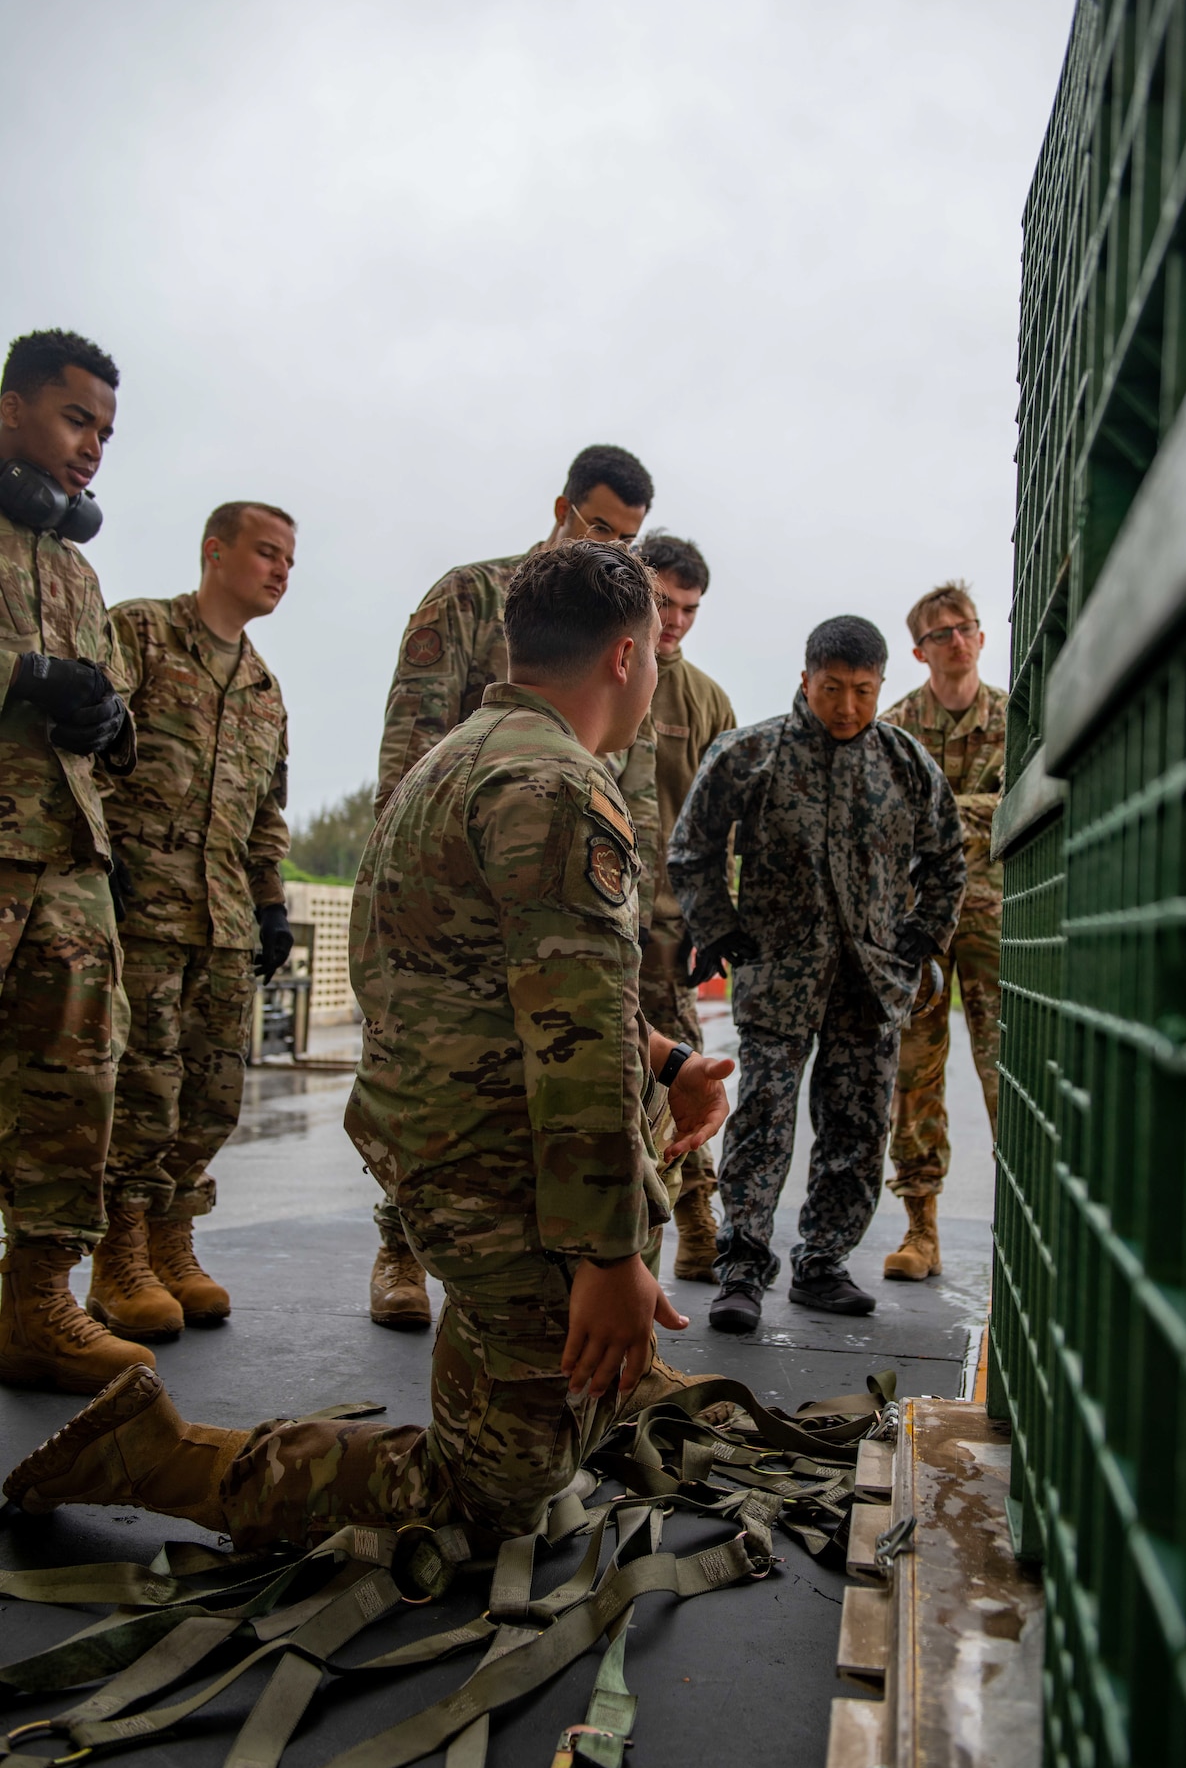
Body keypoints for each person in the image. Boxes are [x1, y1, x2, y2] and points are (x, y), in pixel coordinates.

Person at [5, 541, 734, 1549]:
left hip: (439, 1146)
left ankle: (535, 1356)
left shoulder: (460, 758)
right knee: (495, 1505)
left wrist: (664, 1061)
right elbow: (570, 1051)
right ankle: (157, 1454)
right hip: (495, 1167)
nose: (659, 674)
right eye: (655, 649)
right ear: (623, 656)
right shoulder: (561, 788)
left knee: (564, 1392)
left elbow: (522, 980)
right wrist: (606, 1257)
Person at [367, 443, 656, 1330]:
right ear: (562, 506)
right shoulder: (472, 597)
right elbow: (410, 745)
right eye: (600, 526)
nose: (614, 545)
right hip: (469, 867)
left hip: (553, 859)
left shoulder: (609, 626)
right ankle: (412, 1250)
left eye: (630, 537)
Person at [668, 615, 966, 1334]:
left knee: (856, 1126)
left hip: (870, 982)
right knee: (762, 1121)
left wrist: (921, 936)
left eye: (863, 691)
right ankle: (741, 1268)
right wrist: (720, 926)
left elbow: (947, 856)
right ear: (805, 679)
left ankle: (823, 1264)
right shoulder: (751, 755)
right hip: (779, 976)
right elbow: (692, 847)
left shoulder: (902, 762)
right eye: (831, 689)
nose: (846, 707)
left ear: (880, 685)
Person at [87, 504, 296, 1338]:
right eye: (266, 553)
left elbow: (266, 810)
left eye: (290, 559)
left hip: (223, 921)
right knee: (139, 1088)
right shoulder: (139, 633)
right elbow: (86, 749)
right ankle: (120, 1252)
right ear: (215, 551)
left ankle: (173, 1239)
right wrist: (103, 857)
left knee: (211, 1095)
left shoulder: (263, 686)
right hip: (140, 911)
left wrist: (272, 901)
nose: (281, 571)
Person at [0, 327, 150, 1393]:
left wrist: (106, 716)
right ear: (12, 407)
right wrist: (22, 674)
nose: (91, 445)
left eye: (104, 428)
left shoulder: (75, 566)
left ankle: (38, 1303)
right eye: (73, 418)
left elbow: (108, 703)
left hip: (65, 859)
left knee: (73, 1088)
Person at [879, 584, 1006, 1279]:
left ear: (981, 638)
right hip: (918, 922)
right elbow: (892, 817)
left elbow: (1022, 797)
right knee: (913, 1074)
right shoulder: (896, 729)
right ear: (919, 650)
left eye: (966, 629)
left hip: (990, 919)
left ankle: (1020, 1220)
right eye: (940, 634)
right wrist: (972, 815)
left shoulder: (1017, 717)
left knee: (1006, 1072)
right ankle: (919, 1231)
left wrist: (940, 813)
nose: (956, 641)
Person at [635, 532, 736, 1282]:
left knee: (685, 1080)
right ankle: (401, 1250)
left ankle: (698, 1223)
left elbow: (723, 827)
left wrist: (714, 917)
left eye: (689, 609)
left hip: (668, 932)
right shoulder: (596, 669)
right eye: (663, 602)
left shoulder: (705, 700)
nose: (674, 621)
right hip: (579, 924)